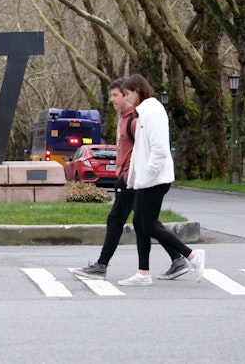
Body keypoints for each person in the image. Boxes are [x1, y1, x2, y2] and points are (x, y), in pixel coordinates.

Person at [70, 80, 189, 281]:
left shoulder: (136, 120)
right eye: (112, 95)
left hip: (133, 179)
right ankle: (175, 259)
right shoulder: (125, 118)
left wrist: (133, 175)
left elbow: (148, 149)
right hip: (130, 177)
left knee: (118, 220)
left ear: (129, 95)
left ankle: (102, 265)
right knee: (145, 222)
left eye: (117, 95)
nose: (112, 100)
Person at [117, 74, 205, 286]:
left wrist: (146, 175)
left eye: (127, 94)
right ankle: (143, 272)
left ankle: (191, 255)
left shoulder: (153, 111)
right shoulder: (144, 112)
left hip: (154, 180)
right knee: (140, 223)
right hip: (145, 180)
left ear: (138, 91)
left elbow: (159, 150)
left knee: (148, 225)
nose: (126, 98)